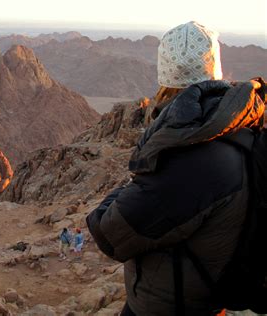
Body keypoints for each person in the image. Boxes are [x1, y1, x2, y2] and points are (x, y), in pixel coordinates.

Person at [86, 21, 265, 316]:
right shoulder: (241, 127)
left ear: (166, 76)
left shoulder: (193, 158)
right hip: (208, 296)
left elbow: (109, 234)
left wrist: (129, 186)